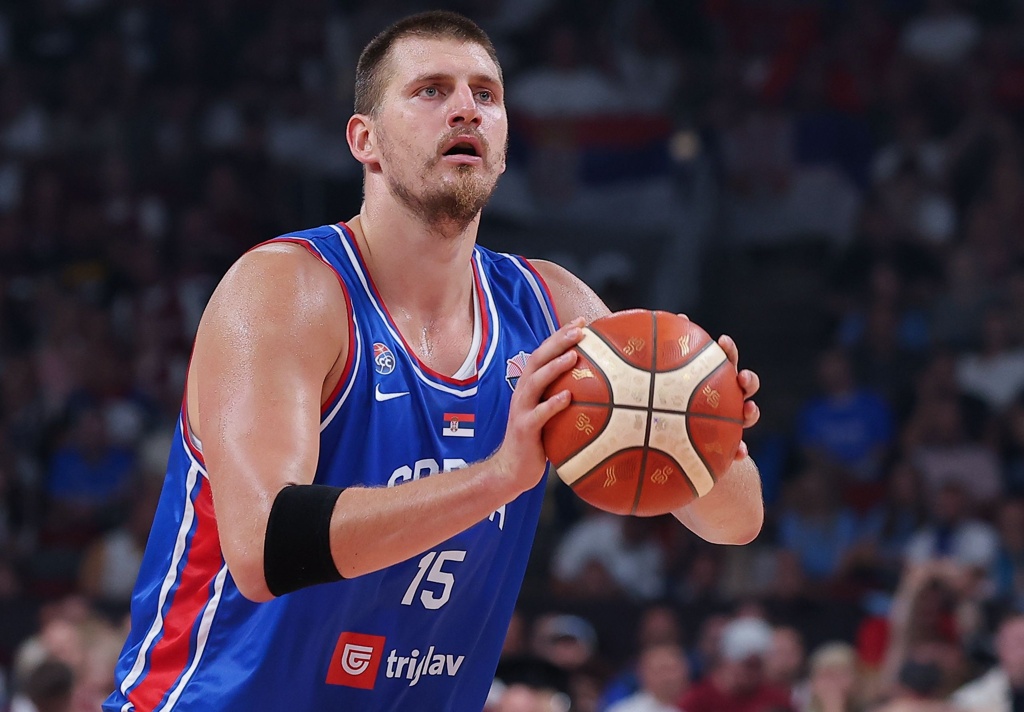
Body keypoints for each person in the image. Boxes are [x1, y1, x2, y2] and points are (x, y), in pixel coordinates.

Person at [104, 11, 764, 711]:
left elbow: (737, 520)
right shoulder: (287, 290)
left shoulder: (552, 309)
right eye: (430, 90)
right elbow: (267, 547)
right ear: (365, 139)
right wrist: (498, 477)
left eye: (486, 94)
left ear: (503, 142)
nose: (465, 109)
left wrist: (703, 425)